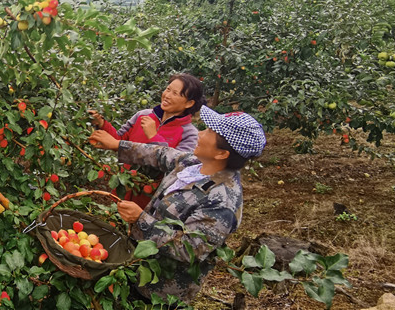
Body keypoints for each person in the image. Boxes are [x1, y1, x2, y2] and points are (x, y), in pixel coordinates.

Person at [88, 106, 266, 305]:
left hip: (160, 289)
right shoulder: (193, 164)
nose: (200, 133)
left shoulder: (222, 202)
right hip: (136, 263)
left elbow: (188, 248)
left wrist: (142, 220)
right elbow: (160, 154)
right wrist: (117, 145)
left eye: (209, 132)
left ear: (222, 153)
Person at [89, 73, 206, 207]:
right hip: (123, 187)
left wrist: (153, 136)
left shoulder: (190, 135)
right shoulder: (143, 115)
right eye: (168, 89)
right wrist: (102, 123)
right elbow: (119, 139)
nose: (167, 95)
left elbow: (176, 167)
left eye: (175, 93)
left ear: (189, 103)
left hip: (150, 202)